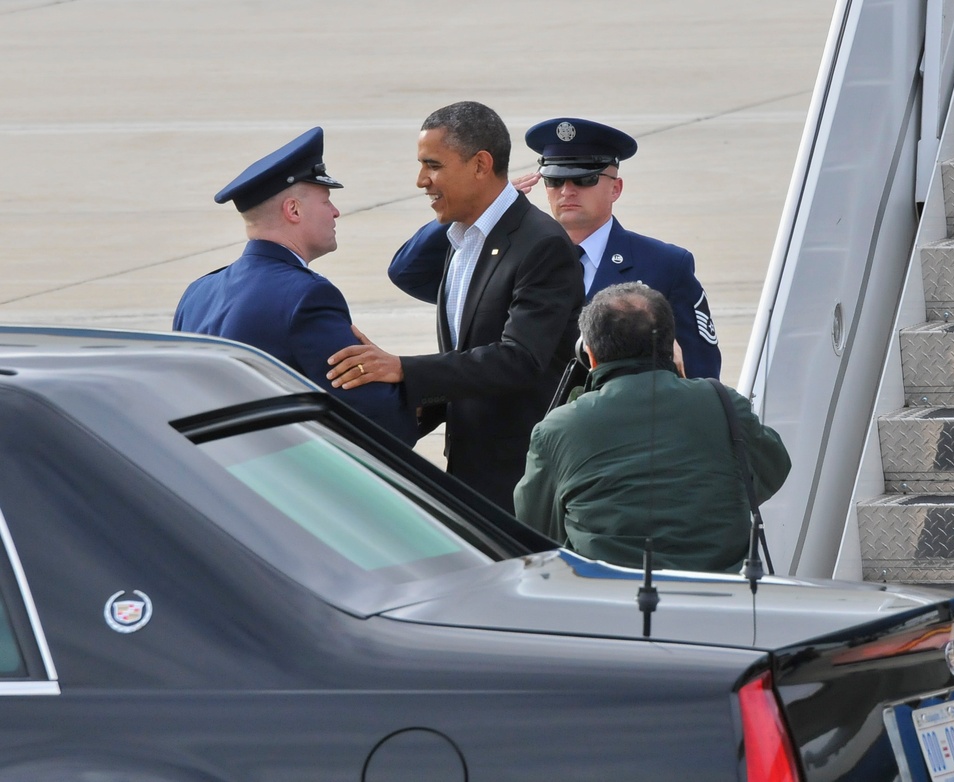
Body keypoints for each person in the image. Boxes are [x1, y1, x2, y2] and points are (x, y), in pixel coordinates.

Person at [326, 101, 584, 512]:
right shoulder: (461, 239)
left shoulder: (541, 243)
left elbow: (519, 359)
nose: (420, 180)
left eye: (433, 165)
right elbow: (411, 279)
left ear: (481, 165)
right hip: (470, 471)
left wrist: (404, 369)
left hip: (524, 482)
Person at [388, 117, 722, 380]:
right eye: (555, 180)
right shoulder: (506, 256)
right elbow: (408, 272)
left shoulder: (664, 265)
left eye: (584, 179)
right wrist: (479, 208)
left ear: (616, 188)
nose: (567, 191)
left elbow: (700, 370)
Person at [513, 282, 790, 572]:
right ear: (671, 346)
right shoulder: (723, 403)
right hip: (721, 594)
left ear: (590, 355)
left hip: (606, 598)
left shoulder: (558, 429)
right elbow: (773, 467)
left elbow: (536, 528)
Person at [173, 127, 418, 445]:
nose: (335, 212)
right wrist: (434, 392)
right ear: (293, 210)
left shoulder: (198, 293)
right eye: (326, 201)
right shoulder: (307, 297)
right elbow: (376, 418)